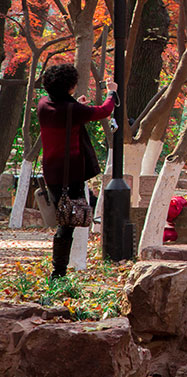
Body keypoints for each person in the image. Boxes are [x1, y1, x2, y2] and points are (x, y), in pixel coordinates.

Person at [37, 64, 116, 278]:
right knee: (67, 223)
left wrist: (76, 106)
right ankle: (58, 272)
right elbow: (104, 111)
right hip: (69, 174)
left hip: (51, 172)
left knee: (66, 221)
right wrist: (111, 91)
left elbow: (65, 113)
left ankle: (59, 270)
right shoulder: (71, 110)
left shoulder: (43, 104)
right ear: (70, 87)